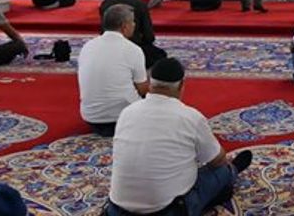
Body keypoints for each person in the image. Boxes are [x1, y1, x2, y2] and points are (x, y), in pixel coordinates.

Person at [106, 58, 252, 216]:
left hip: (116, 211)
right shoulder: (190, 117)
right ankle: (232, 173)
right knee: (222, 171)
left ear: (150, 84)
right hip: (168, 211)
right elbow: (218, 160)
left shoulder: (127, 112)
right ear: (182, 85)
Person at [78, 4, 149, 136]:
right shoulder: (133, 49)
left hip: (91, 117)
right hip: (123, 118)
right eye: (132, 22)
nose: (134, 25)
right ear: (124, 26)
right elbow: (143, 89)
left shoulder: (88, 46)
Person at [101, 0, 167, 68]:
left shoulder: (106, 3)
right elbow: (149, 36)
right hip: (133, 46)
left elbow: (103, 30)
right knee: (159, 55)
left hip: (108, 47)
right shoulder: (139, 4)